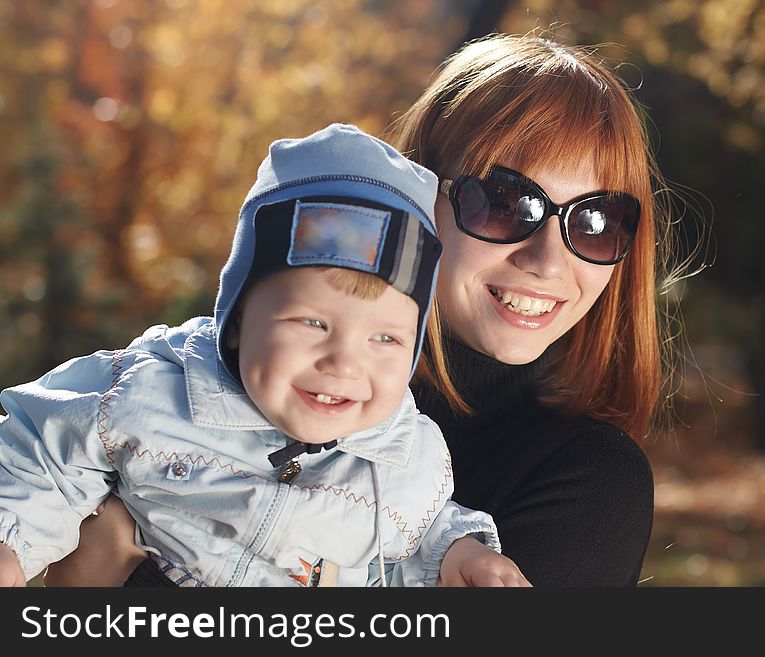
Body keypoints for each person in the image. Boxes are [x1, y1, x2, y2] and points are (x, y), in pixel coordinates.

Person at [44, 32, 681, 587]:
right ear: (418, 202)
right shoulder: (212, 385)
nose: (547, 260)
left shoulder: (590, 486)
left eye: (598, 220)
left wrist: (113, 579)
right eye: (506, 201)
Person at [0, 123, 530, 588]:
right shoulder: (152, 392)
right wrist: (9, 542)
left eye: (385, 339)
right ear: (237, 320)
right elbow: (42, 454)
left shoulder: (405, 455)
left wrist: (458, 554)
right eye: (312, 323)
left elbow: (422, 531)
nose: (344, 363)